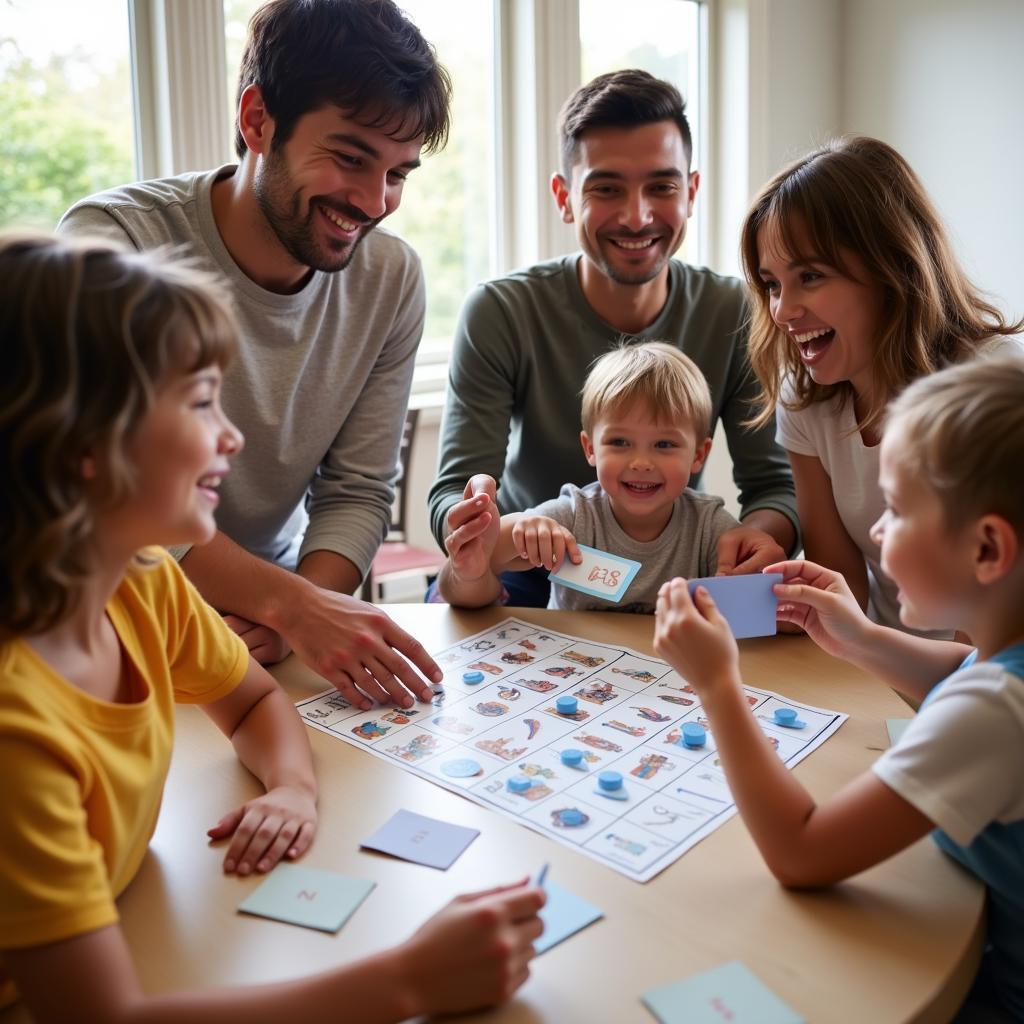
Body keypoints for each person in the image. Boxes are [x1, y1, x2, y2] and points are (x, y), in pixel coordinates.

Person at [0, 234, 545, 1023]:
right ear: (86, 445)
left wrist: (291, 785)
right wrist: (408, 983)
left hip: (137, 926)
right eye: (198, 404)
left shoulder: (143, 582)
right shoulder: (16, 731)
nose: (233, 437)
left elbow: (254, 703)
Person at [58, 0, 452, 710]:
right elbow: (111, 491)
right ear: (257, 120)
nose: (374, 201)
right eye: (349, 158)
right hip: (109, 613)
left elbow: (358, 490)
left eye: (398, 173)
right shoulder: (115, 244)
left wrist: (301, 610)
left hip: (264, 628)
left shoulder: (393, 280)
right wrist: (290, 607)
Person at [653, 353, 1024, 1022]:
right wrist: (860, 637)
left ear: (988, 550)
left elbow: (801, 853)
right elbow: (959, 673)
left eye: (899, 510)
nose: (876, 531)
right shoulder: (1005, 672)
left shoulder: (995, 715)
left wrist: (716, 685)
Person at [428, 69, 798, 608]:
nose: (636, 215)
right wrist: (476, 526)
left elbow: (775, 487)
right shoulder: (500, 310)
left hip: (674, 569)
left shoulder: (736, 311)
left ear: (691, 192)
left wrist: (754, 541)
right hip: (528, 562)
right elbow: (454, 489)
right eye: (606, 188)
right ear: (565, 197)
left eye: (662, 186)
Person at [741, 134, 1023, 631]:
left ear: (891, 269)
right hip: (883, 667)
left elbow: (991, 639)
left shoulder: (993, 387)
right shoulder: (805, 400)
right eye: (772, 284)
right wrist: (735, 601)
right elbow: (839, 593)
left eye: (810, 276)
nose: (782, 310)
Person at [438, 342, 745, 613]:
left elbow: (758, 612)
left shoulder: (710, 527)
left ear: (698, 455)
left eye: (664, 445)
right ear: (590, 448)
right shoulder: (573, 515)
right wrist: (475, 563)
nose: (640, 463)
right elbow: (468, 579)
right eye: (620, 443)